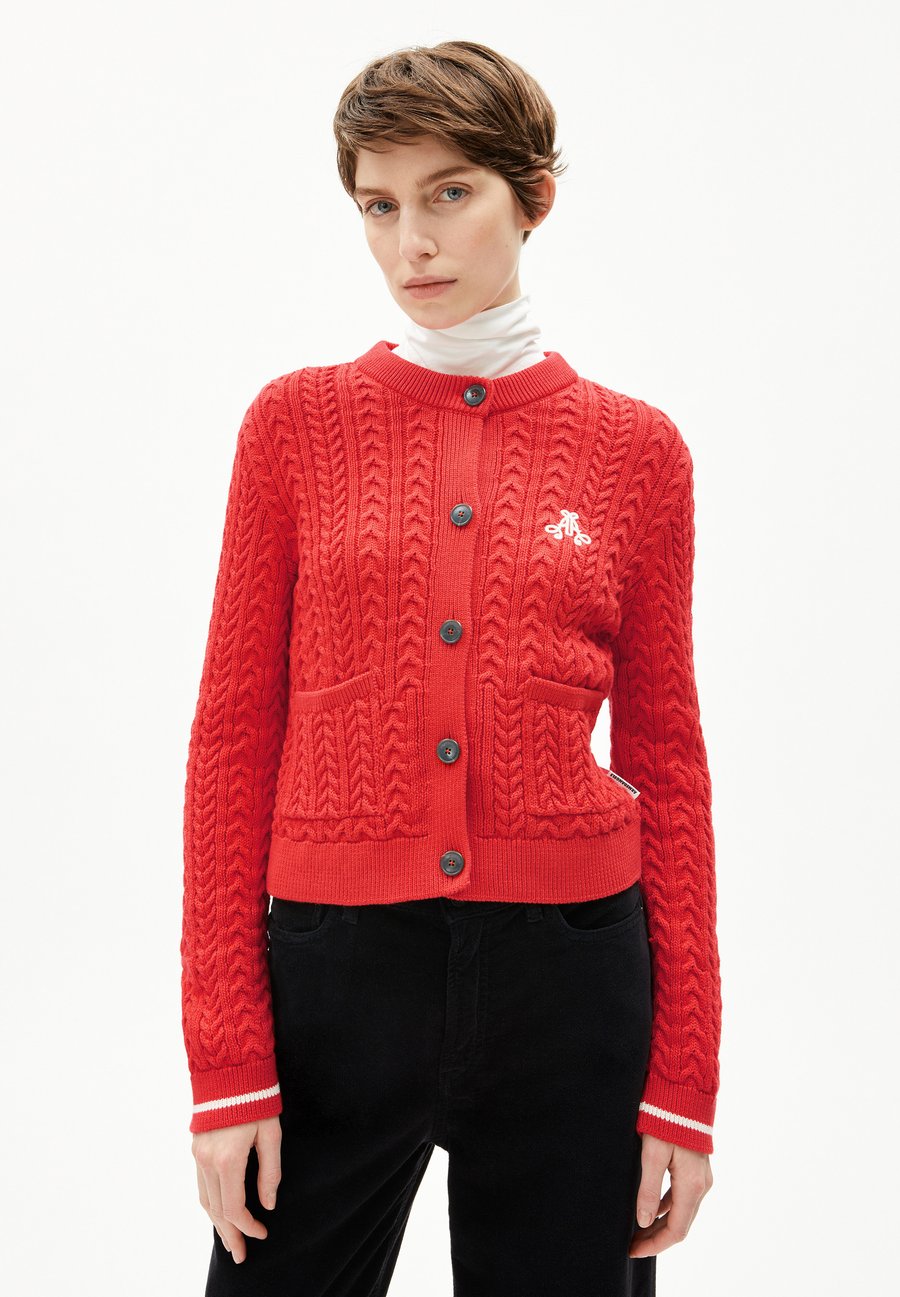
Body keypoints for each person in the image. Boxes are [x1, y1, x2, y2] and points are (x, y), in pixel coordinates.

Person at [181, 38, 721, 1297]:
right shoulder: (293, 429)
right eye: (379, 205)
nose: (412, 242)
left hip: (571, 981)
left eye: (449, 193)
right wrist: (227, 1066)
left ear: (534, 197)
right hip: (333, 981)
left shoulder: (638, 453)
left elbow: (669, 765)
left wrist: (684, 1085)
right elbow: (230, 745)